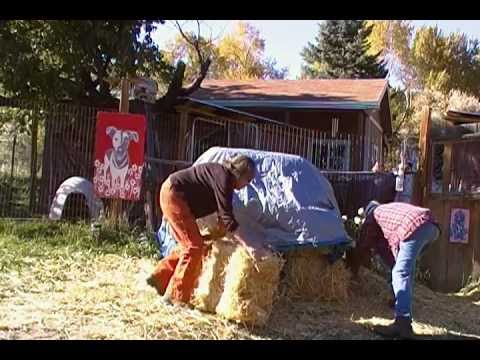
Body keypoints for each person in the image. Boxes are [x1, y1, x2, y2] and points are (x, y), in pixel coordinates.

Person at [147, 154, 261, 307]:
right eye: (248, 180)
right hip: (175, 196)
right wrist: (249, 245)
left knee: (189, 245)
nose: (247, 185)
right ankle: (175, 299)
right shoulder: (224, 177)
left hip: (171, 193)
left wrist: (220, 236)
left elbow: (223, 216)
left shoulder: (224, 179)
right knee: (193, 246)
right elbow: (227, 219)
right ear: (240, 173)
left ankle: (158, 279)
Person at [346, 201, 440, 339]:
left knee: (400, 272)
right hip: (431, 228)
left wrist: (353, 268)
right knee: (405, 269)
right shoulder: (387, 215)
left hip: (414, 226)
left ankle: (402, 323)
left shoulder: (374, 214)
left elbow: (363, 245)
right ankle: (399, 301)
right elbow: (390, 257)